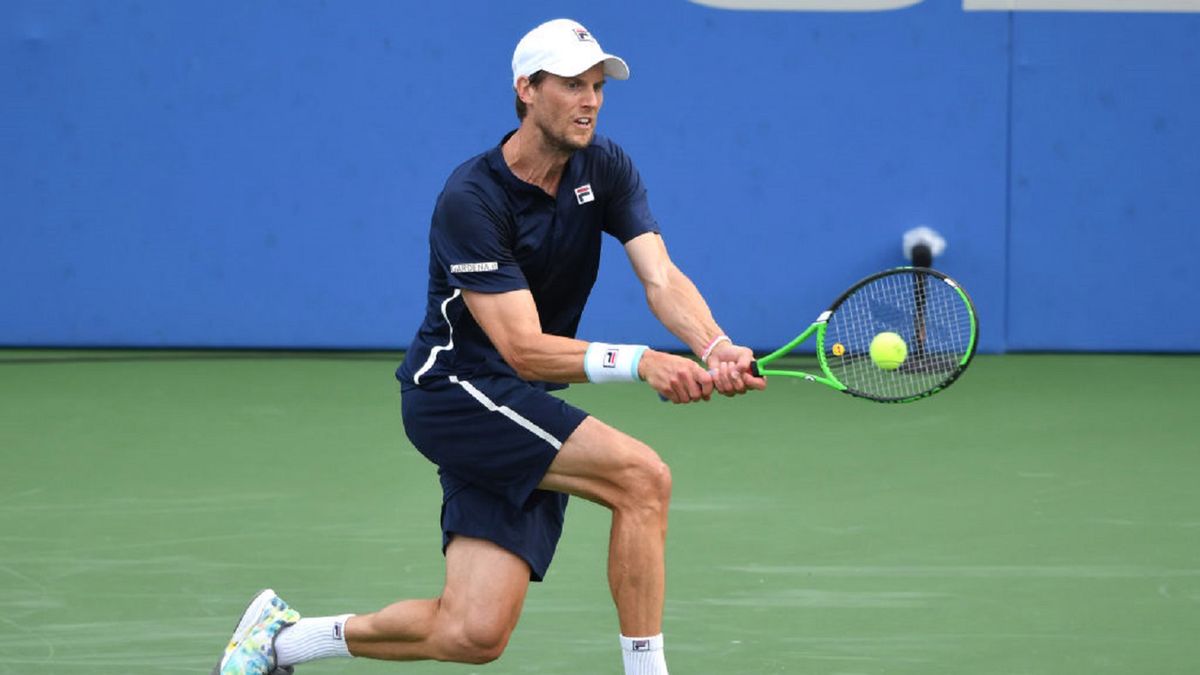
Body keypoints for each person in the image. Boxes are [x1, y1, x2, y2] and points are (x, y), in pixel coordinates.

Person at [211, 17, 765, 675]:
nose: (590, 100)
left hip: (519, 399)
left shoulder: (605, 166)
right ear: (526, 89)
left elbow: (661, 275)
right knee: (642, 479)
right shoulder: (471, 199)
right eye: (572, 85)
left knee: (473, 633)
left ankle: (280, 640)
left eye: (597, 86)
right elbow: (522, 348)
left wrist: (713, 343)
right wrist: (642, 362)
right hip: (457, 392)